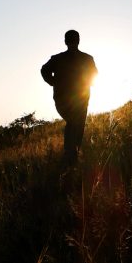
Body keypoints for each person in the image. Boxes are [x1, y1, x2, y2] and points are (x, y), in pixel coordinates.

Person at [41, 30, 97, 165]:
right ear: (78, 40)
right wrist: (54, 82)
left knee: (77, 124)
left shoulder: (60, 59)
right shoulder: (85, 58)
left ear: (66, 41)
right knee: (75, 123)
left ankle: (73, 155)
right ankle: (70, 155)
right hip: (70, 100)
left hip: (73, 99)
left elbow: (44, 70)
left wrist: (54, 82)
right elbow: (94, 75)